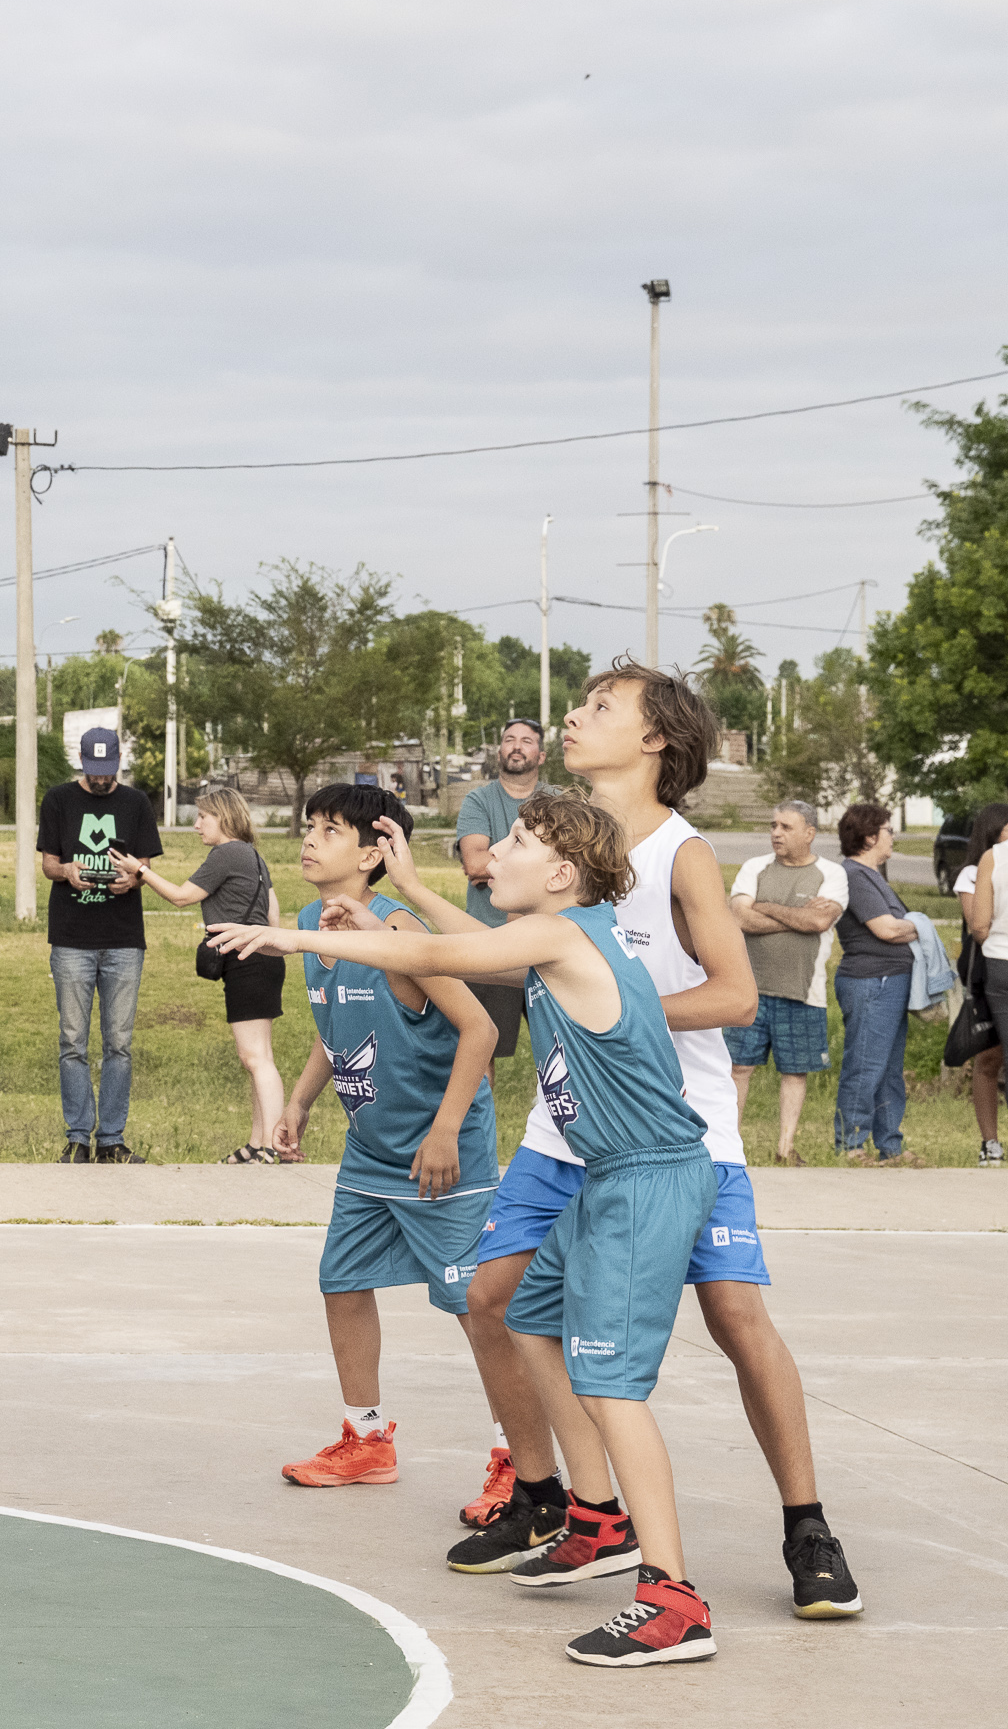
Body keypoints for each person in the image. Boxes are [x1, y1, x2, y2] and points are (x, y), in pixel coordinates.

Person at [366, 662, 863, 1617]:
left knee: (734, 1318)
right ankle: (572, 1506)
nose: (573, 717)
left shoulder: (684, 853)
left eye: (600, 707)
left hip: (679, 1131)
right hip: (566, 1130)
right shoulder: (556, 844)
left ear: (655, 740)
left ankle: (807, 1523)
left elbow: (735, 996)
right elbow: (504, 959)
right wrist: (413, 896)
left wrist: (618, 1016)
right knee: (492, 1299)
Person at [219, 794, 722, 1667]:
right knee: (525, 1314)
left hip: (646, 1181)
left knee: (613, 1386)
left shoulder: (566, 936)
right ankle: (597, 1520)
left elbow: (442, 952)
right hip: (608, 1176)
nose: (500, 851)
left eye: (520, 842)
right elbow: (467, 941)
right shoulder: (568, 932)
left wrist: (296, 937)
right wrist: (396, 895)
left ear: (561, 875)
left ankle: (673, 1598)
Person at [236, 786, 533, 1520]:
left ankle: (519, 1460)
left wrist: (444, 1131)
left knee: (479, 1310)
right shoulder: (312, 924)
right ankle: (366, 1440)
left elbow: (481, 1031)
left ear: (373, 853)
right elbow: (331, 1023)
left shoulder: (399, 930)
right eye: (309, 827)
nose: (310, 841)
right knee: (341, 1282)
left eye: (329, 830)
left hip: (442, 1159)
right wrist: (302, 1101)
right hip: (371, 1156)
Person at [121, 782, 287, 1161]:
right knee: (259, 1057)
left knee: (255, 1059)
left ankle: (273, 1148)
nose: (197, 825)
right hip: (264, 958)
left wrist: (140, 871)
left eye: (202, 817)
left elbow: (181, 897)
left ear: (223, 818)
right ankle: (257, 1143)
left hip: (245, 959)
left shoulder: (226, 853)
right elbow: (273, 916)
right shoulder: (255, 857)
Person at [40, 726, 160, 1163]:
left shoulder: (136, 803)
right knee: (72, 1041)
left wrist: (133, 878)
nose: (101, 780)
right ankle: (77, 1138)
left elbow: (144, 862)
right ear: (82, 762)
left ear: (118, 762)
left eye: (108, 772)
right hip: (71, 937)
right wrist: (68, 871)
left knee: (119, 1043)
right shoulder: (58, 799)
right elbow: (48, 863)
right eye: (94, 772)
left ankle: (111, 1139)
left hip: (123, 938)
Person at [726, 800, 850, 1164]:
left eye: (786, 827)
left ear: (810, 833)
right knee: (737, 1067)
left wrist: (764, 906)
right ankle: (729, 1148)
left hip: (802, 990)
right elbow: (740, 919)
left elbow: (817, 924)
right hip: (748, 987)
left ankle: (785, 1147)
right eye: (773, 825)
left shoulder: (832, 874)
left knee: (795, 1070)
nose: (776, 833)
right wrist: (797, 916)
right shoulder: (755, 867)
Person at [454, 720, 555, 1063]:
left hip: (550, 939)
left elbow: (578, 868)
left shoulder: (557, 801)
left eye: (526, 741)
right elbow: (475, 864)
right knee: (482, 1050)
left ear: (541, 755)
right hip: (490, 939)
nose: (516, 746)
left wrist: (496, 868)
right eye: (509, 739)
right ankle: (481, 1118)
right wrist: (537, 867)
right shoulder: (478, 800)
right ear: (499, 750)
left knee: (568, 1043)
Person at [829, 802, 919, 1166]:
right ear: (869, 837)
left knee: (888, 1069)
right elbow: (886, 929)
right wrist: (921, 924)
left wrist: (910, 925)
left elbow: (899, 927)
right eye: (888, 830)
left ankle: (890, 1145)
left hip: (891, 980)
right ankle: (850, 1145)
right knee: (865, 1064)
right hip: (871, 981)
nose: (892, 837)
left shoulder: (875, 876)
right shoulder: (853, 874)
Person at [952, 800, 1008, 1168]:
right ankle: (990, 1141)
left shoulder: (995, 861)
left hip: (999, 965)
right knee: (987, 1057)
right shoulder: (975, 870)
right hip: (984, 970)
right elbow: (977, 923)